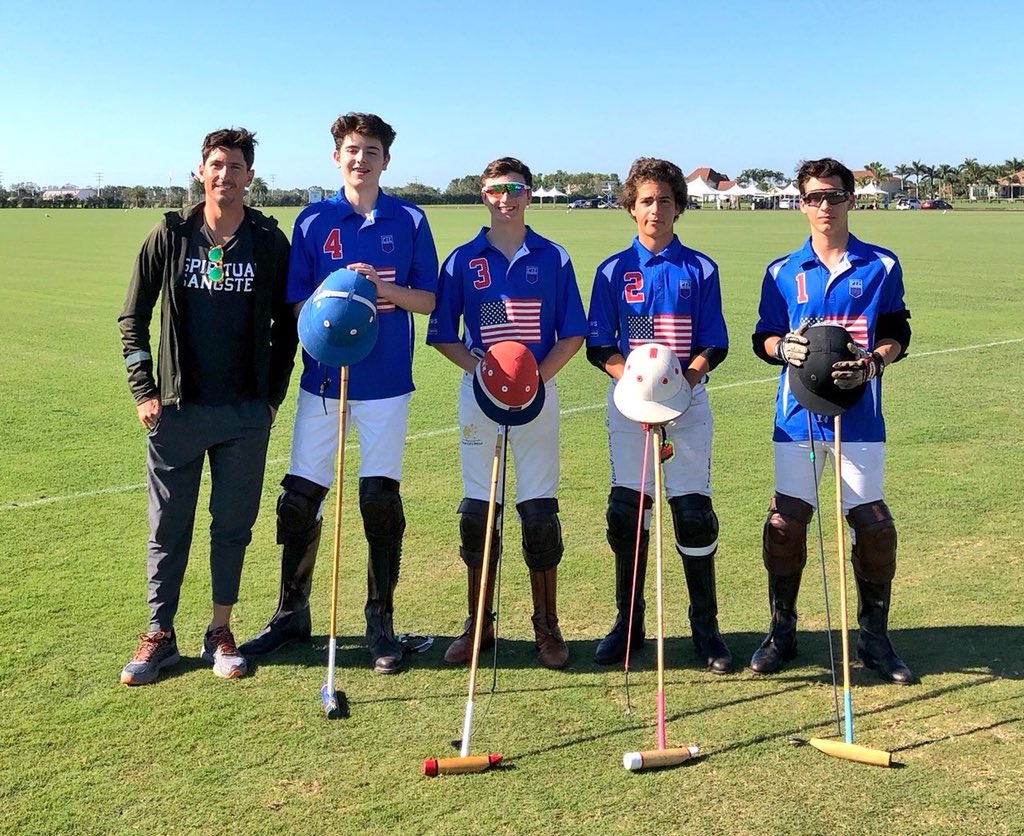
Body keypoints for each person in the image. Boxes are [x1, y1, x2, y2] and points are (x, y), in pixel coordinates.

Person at [240, 113, 438, 675]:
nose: (360, 159)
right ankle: (290, 613)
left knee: (379, 499)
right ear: (336, 157)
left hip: (385, 383)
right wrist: (338, 293)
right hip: (323, 379)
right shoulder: (312, 220)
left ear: (385, 160)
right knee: (300, 495)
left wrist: (381, 289)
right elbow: (297, 304)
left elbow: (428, 300)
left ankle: (380, 621)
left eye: (371, 151)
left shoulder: (411, 220)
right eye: (352, 150)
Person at [118, 128, 297, 685]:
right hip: (177, 411)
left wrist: (271, 399)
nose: (225, 174)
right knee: (168, 527)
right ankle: (159, 634)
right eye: (216, 164)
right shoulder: (169, 236)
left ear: (249, 176)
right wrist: (144, 391)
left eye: (236, 165)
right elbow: (132, 318)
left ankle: (221, 630)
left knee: (232, 527)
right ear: (202, 171)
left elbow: (289, 328)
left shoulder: (268, 241)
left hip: (244, 414)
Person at [750, 157, 913, 684]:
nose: (825, 205)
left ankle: (874, 639)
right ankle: (782, 632)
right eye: (814, 197)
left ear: (850, 199)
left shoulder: (880, 265)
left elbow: (897, 333)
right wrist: (783, 348)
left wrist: (874, 361)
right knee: (785, 524)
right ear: (801, 203)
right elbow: (762, 338)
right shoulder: (782, 271)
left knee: (874, 527)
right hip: (797, 418)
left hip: (860, 414)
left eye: (834, 195)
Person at [427, 156, 587, 669]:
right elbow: (442, 334)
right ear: (484, 195)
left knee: (539, 511)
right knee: (479, 512)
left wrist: (537, 376)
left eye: (516, 187)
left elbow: (573, 333)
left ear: (529, 193)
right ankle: (480, 622)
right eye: (497, 188)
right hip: (480, 398)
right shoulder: (461, 260)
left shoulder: (554, 257)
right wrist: (477, 368)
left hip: (539, 394)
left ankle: (547, 625)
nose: (507, 197)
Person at [586, 157, 732, 673]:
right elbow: (600, 344)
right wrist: (634, 382)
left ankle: (705, 628)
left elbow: (714, 343)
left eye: (665, 200)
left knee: (692, 512)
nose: (656, 209)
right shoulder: (611, 271)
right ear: (631, 208)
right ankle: (628, 624)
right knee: (627, 514)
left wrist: (680, 385)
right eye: (646, 200)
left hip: (686, 405)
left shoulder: (700, 268)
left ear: (678, 207)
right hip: (629, 405)